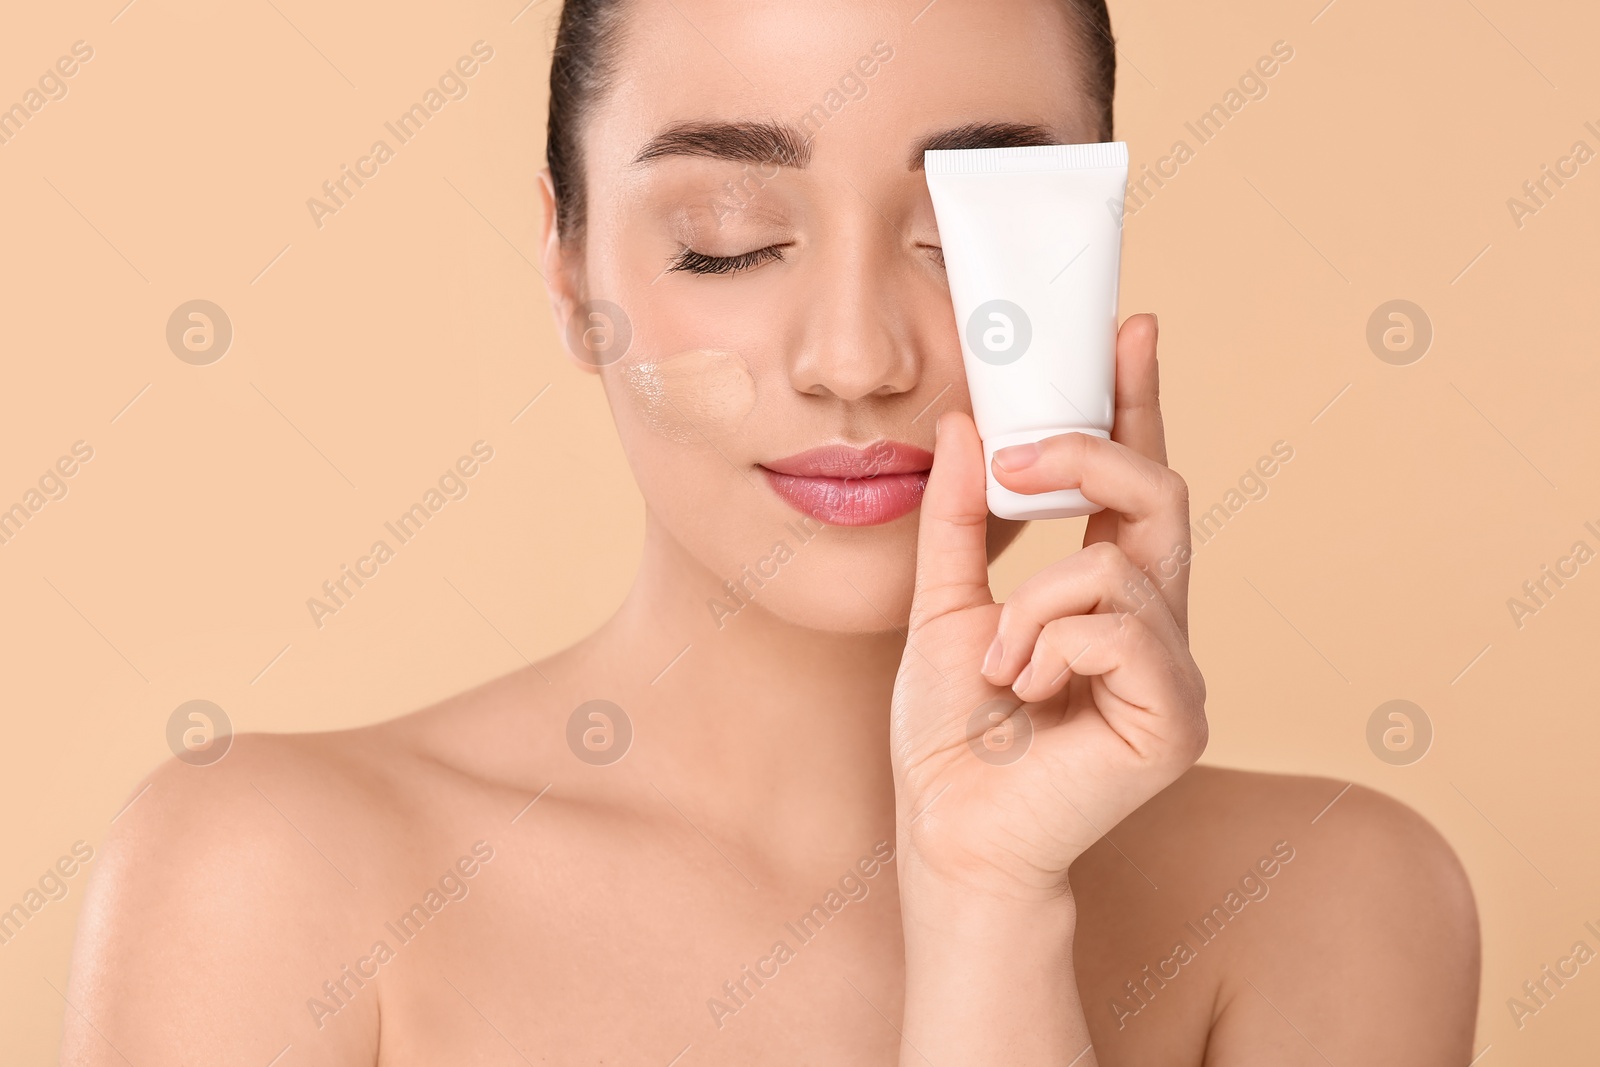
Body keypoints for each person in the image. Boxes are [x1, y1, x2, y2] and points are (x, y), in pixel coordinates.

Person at [62, 1, 1480, 1062]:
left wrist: (989, 910)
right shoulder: (267, 881)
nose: (857, 358)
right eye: (729, 239)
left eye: (961, 231)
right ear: (568, 271)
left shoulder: (1334, 903)